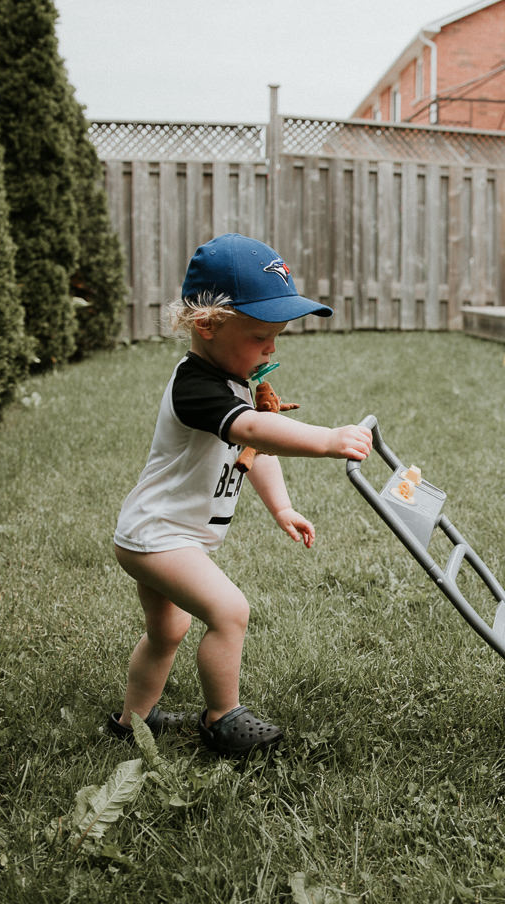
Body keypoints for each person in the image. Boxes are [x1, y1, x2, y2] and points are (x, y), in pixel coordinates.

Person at [108, 233, 371, 756]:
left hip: (166, 533)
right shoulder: (195, 387)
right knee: (230, 612)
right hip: (158, 536)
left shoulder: (232, 384)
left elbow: (252, 452)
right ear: (207, 326)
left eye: (278, 335)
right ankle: (222, 718)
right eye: (260, 335)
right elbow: (251, 432)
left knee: (168, 631)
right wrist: (327, 440)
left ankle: (133, 721)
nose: (272, 347)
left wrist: (282, 507)